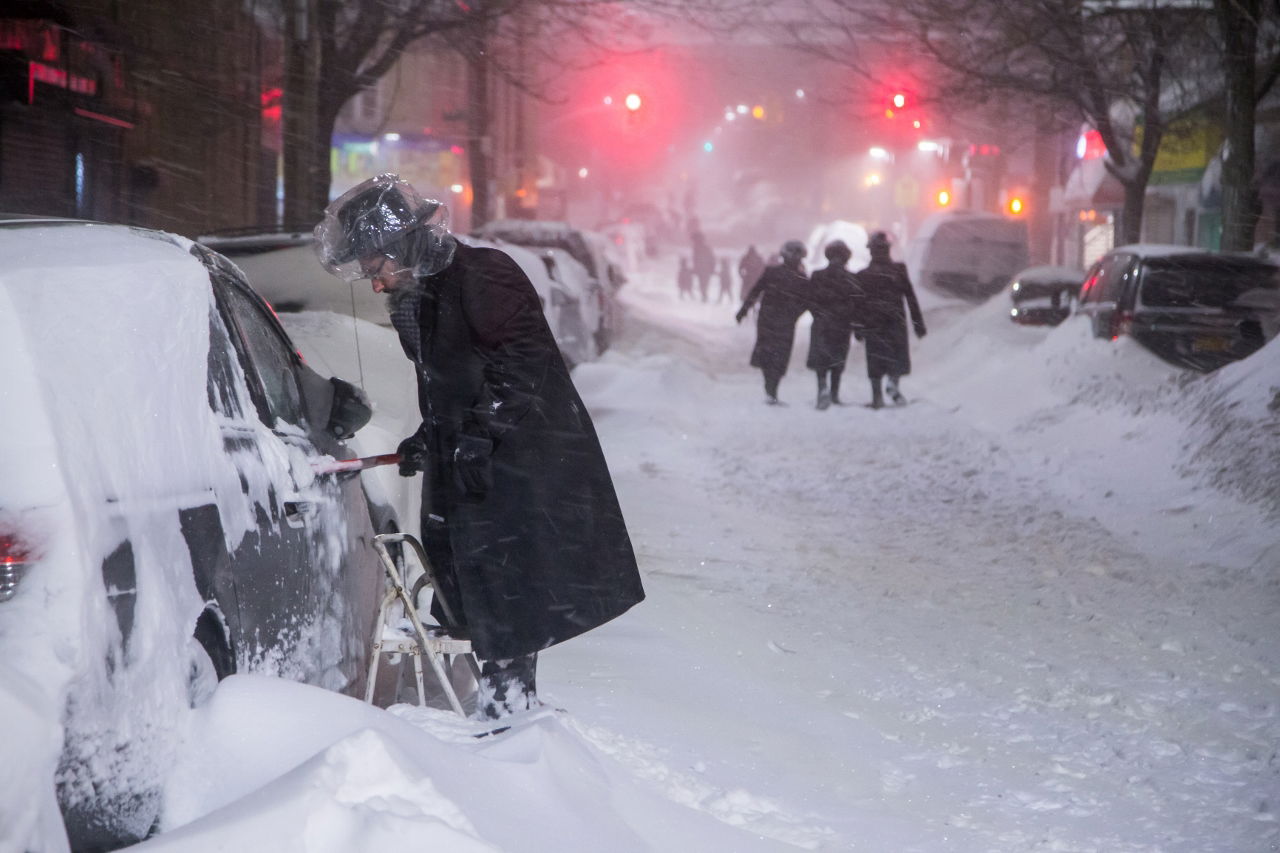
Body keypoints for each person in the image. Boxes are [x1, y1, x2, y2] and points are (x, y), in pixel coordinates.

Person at [313, 174, 645, 719]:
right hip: (468, 462)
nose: (375, 283)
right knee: (472, 591)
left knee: (508, 591)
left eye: (377, 267)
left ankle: (512, 712)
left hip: (515, 460)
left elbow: (522, 360)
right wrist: (432, 432)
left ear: (402, 244)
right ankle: (504, 708)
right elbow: (444, 377)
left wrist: (481, 432)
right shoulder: (418, 296)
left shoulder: (485, 275)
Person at [852, 231, 926, 408]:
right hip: (895, 321)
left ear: (870, 251)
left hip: (873, 323)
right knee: (896, 356)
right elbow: (910, 297)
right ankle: (893, 384)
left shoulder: (863, 275)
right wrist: (918, 324)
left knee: (875, 360)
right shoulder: (899, 270)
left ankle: (877, 397)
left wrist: (858, 327)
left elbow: (857, 304)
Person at [735, 239, 809, 404]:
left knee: (769, 354)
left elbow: (755, 292)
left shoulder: (773, 272)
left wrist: (743, 311)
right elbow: (807, 302)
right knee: (779, 355)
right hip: (783, 323)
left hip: (769, 320)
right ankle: (772, 389)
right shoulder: (800, 278)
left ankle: (770, 389)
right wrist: (794, 314)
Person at [806, 240, 859, 409]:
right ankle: (834, 394)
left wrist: (819, 314)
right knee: (838, 358)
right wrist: (855, 323)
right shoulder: (851, 278)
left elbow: (810, 299)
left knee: (821, 358)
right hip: (842, 324)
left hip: (822, 323)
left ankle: (822, 387)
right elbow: (856, 303)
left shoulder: (817, 275)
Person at [691, 230, 716, 303]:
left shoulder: (703, 248)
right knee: (703, 284)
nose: (694, 242)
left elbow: (711, 259)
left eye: (695, 240)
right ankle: (704, 296)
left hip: (705, 269)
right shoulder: (696, 248)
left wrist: (712, 268)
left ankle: (704, 296)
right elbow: (695, 260)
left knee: (703, 284)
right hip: (702, 270)